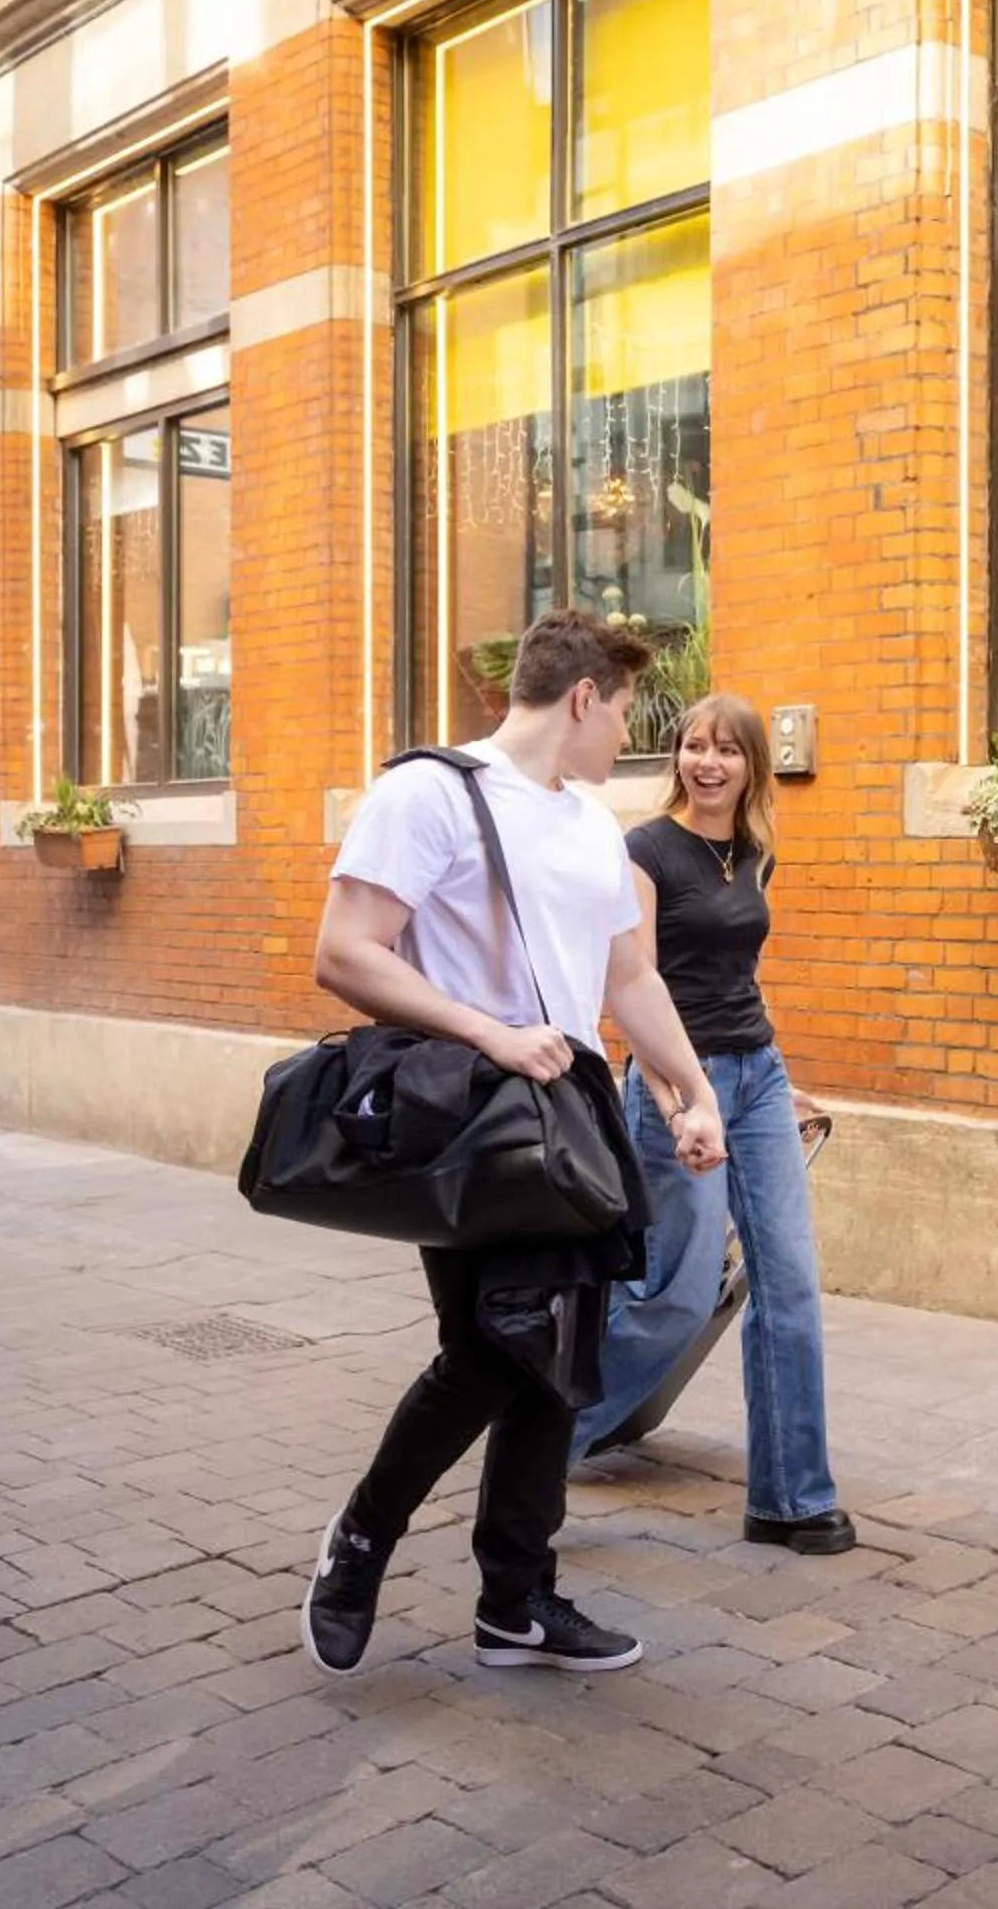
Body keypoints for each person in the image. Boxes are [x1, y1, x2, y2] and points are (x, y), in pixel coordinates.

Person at [300, 610, 729, 1675]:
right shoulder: (426, 793)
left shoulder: (590, 822)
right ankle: (359, 1539)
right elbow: (346, 952)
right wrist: (488, 1029)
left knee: (559, 1360)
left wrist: (690, 1087)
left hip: (572, 1113)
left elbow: (628, 974)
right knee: (498, 1344)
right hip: (472, 1117)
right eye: (625, 708)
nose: (629, 731)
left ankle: (517, 1604)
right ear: (583, 695)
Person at [577, 694, 856, 1555]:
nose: (708, 763)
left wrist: (780, 1082)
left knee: (791, 1284)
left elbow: (740, 979)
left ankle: (790, 1497)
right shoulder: (645, 852)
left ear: (751, 767)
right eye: (694, 746)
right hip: (674, 1084)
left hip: (756, 1077)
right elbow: (633, 992)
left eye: (727, 751)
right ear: (677, 758)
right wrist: (678, 1102)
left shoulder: (756, 855)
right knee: (677, 1295)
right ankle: (546, 1436)